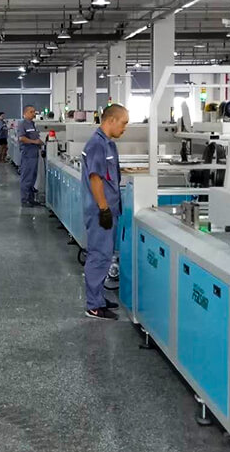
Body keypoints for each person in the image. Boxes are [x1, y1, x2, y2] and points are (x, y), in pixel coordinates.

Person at [81, 105, 129, 320]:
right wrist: (104, 209)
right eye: (123, 123)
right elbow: (95, 179)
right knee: (99, 256)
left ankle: (98, 297)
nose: (124, 128)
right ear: (111, 120)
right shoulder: (97, 144)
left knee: (105, 254)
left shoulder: (108, 144)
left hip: (108, 208)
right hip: (101, 211)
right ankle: (93, 305)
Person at [17, 105, 43, 207]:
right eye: (31, 112)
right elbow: (21, 138)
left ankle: (31, 199)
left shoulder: (32, 124)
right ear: (25, 113)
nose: (33, 114)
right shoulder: (22, 124)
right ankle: (25, 200)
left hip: (34, 153)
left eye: (34, 112)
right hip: (27, 154)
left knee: (32, 177)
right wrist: (35, 142)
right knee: (27, 177)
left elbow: (35, 136)